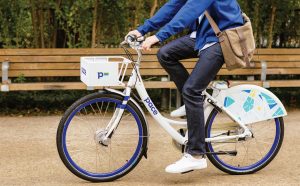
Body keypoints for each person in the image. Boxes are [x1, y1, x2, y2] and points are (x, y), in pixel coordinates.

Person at [127, 0, 244, 174]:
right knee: (165, 54)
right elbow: (172, 7)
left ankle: (196, 154)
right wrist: (142, 29)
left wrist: (157, 36)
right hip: (204, 35)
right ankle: (196, 102)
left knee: (191, 90)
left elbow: (188, 12)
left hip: (222, 39)